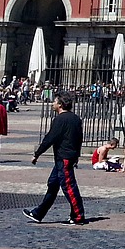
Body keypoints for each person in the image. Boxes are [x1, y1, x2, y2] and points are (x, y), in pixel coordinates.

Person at [24, 89, 89, 225]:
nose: (52, 104)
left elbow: (50, 139)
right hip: (67, 157)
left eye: (54, 101)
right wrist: (76, 155)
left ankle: (78, 216)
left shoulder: (60, 119)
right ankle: (38, 213)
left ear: (60, 104)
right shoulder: (76, 119)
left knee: (69, 187)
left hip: (63, 157)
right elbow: (79, 139)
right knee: (53, 185)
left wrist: (37, 154)